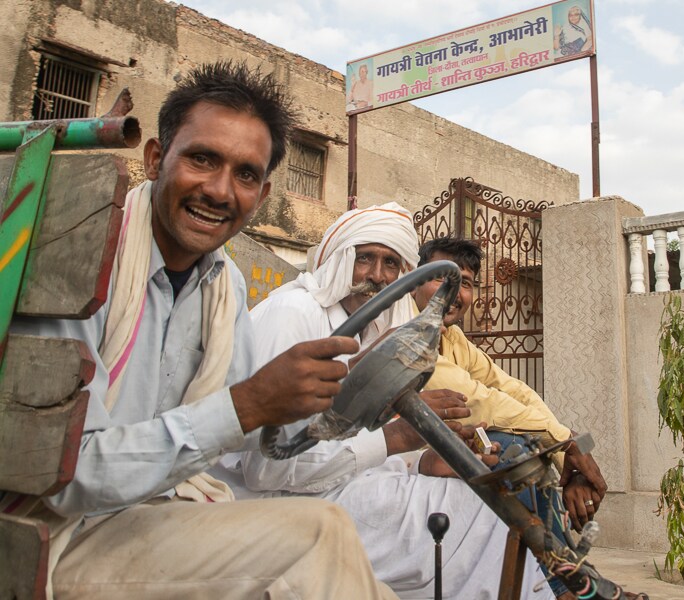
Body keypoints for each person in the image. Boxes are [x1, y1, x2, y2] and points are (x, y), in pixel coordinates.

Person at [4, 61, 397, 600]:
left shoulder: (225, 286)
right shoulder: (77, 261)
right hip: (52, 535)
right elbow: (67, 476)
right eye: (202, 159)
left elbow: (248, 448)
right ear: (153, 159)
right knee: (319, 537)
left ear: (261, 196)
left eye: (245, 174)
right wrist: (250, 405)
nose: (219, 190)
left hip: (157, 517)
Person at [234, 203, 555, 599]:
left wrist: (420, 460)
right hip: (269, 506)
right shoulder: (293, 315)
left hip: (331, 486)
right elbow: (265, 470)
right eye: (364, 258)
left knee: (485, 500)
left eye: (390, 263)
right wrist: (395, 440)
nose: (376, 275)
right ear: (338, 257)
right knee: (477, 519)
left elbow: (347, 441)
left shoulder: (375, 331)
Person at [411, 237, 609, 598]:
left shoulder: (452, 338)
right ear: (415, 279)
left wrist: (567, 452)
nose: (455, 292)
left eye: (466, 283)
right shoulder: (407, 333)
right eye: (443, 277)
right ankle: (569, 586)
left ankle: (573, 578)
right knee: (517, 453)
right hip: (403, 458)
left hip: (453, 453)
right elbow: (476, 401)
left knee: (528, 450)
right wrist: (563, 441)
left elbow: (512, 389)